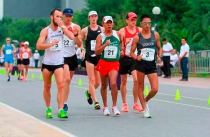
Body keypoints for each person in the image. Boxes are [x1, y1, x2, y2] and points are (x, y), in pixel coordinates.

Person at [36, 8, 74, 119]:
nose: (59, 19)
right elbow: (38, 45)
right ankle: (48, 108)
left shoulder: (62, 28)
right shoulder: (46, 31)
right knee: (47, 86)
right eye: (57, 16)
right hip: (47, 63)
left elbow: (72, 37)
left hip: (59, 63)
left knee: (61, 85)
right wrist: (50, 44)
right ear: (51, 17)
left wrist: (62, 26)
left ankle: (61, 109)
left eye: (60, 17)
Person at [130, 14, 162, 118]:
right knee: (140, 86)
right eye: (145, 23)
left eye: (149, 23)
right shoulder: (137, 37)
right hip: (141, 64)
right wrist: (136, 57)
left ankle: (145, 101)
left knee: (155, 89)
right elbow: (131, 52)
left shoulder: (155, 35)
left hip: (151, 64)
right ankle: (144, 109)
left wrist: (159, 56)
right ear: (141, 24)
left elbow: (159, 48)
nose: (147, 25)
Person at [95, 16, 123, 116]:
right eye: (107, 23)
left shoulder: (118, 34)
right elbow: (96, 51)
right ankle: (105, 107)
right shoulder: (100, 37)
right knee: (104, 85)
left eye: (110, 22)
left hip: (114, 63)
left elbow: (121, 43)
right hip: (103, 62)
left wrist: (121, 50)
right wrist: (105, 45)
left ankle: (114, 107)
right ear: (103, 24)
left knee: (113, 83)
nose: (109, 24)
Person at [119, 12, 142, 112]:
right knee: (124, 81)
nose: (133, 21)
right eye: (132, 19)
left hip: (134, 58)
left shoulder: (139, 31)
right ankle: (124, 103)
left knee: (136, 80)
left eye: (135, 19)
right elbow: (117, 45)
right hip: (124, 58)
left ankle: (135, 103)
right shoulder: (122, 31)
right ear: (127, 20)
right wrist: (124, 44)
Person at [81, 11, 104, 109]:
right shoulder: (85, 30)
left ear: (97, 18)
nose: (93, 18)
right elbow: (80, 41)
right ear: (89, 18)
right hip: (89, 56)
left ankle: (89, 92)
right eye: (91, 17)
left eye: (95, 16)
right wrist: (82, 49)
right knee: (91, 79)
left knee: (98, 82)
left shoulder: (102, 29)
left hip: (98, 57)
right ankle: (96, 102)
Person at [62, 8, 82, 113]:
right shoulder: (59, 27)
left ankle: (64, 99)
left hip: (72, 56)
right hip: (61, 57)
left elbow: (79, 44)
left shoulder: (76, 27)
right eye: (67, 15)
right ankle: (64, 103)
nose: (68, 18)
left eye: (70, 16)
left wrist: (76, 35)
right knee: (67, 79)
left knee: (67, 82)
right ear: (63, 15)